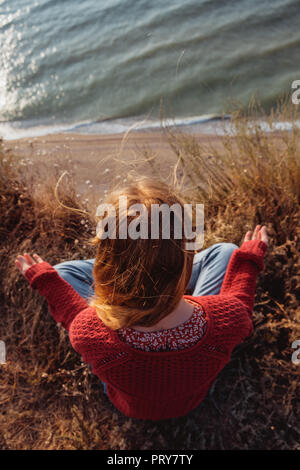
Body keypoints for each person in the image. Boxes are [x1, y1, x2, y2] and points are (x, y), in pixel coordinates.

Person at [15, 178, 268, 421]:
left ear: (107, 264)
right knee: (226, 251)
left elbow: (72, 313)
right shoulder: (228, 318)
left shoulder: (90, 333)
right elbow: (241, 300)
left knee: (62, 273)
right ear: (186, 256)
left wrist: (47, 282)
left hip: (128, 403)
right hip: (192, 398)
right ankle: (155, 268)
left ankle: (133, 268)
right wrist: (248, 259)